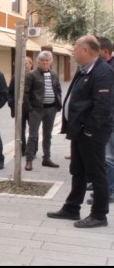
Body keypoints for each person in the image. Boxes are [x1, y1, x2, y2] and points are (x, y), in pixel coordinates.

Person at [47, 35, 114, 228]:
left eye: (75, 47)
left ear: (86, 50)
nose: (73, 51)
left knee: (96, 172)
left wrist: (89, 131)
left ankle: (99, 215)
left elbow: (104, 107)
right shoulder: (83, 69)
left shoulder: (103, 72)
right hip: (79, 130)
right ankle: (71, 208)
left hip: (92, 132)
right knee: (78, 170)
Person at [23, 51, 62, 171]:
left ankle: (46, 158)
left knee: (47, 135)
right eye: (42, 60)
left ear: (51, 61)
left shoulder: (54, 75)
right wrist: (29, 108)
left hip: (51, 109)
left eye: (47, 60)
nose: (45, 62)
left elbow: (58, 90)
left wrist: (57, 105)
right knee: (33, 136)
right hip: (36, 109)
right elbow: (25, 93)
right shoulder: (31, 75)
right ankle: (29, 160)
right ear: (37, 61)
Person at [87, 37, 114, 205]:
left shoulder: (109, 69)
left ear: (104, 51)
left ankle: (109, 190)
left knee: (110, 157)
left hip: (109, 117)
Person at [8, 57, 35, 156]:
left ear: (31, 64)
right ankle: (21, 150)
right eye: (22, 63)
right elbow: (10, 91)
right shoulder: (16, 77)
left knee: (33, 131)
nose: (24, 65)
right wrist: (11, 102)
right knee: (20, 130)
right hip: (19, 107)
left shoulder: (35, 76)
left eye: (26, 63)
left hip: (32, 107)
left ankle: (32, 151)